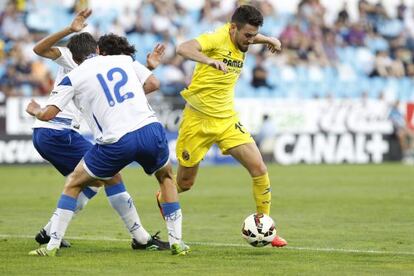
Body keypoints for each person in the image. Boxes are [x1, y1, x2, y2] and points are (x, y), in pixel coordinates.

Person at [26, 33, 189, 257]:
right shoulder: (122, 59)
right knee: (166, 177)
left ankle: (51, 245)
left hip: (116, 140)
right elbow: (153, 82)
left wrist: (34, 109)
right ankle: (176, 242)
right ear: (97, 49)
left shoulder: (74, 75)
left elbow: (47, 114)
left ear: (74, 56)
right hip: (150, 128)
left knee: (75, 182)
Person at [158, 5, 287, 247]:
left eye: (254, 35)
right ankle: (164, 192)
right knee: (185, 183)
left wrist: (270, 39)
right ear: (233, 28)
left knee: (259, 168)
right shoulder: (217, 37)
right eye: (247, 35)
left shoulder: (245, 38)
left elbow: (253, 36)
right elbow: (183, 48)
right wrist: (209, 60)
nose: (250, 41)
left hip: (226, 119)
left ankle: (266, 226)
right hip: (197, 120)